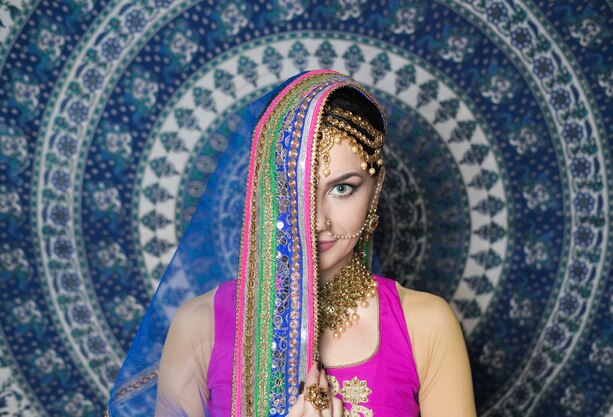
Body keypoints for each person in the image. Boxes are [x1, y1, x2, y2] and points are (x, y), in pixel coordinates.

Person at [107, 70, 476, 416]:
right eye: (293, 188)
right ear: (263, 192)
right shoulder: (200, 327)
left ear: (375, 188)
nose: (315, 221)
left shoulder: (424, 326)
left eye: (342, 189)